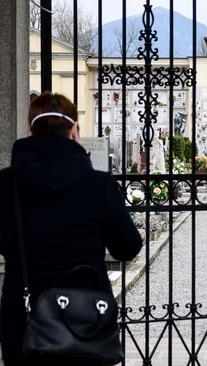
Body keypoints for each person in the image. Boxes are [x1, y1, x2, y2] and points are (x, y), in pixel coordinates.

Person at [0, 92, 143, 365]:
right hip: (85, 319)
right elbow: (127, 247)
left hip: (24, 318)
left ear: (32, 131)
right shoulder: (98, 185)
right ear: (74, 129)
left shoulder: (6, 185)